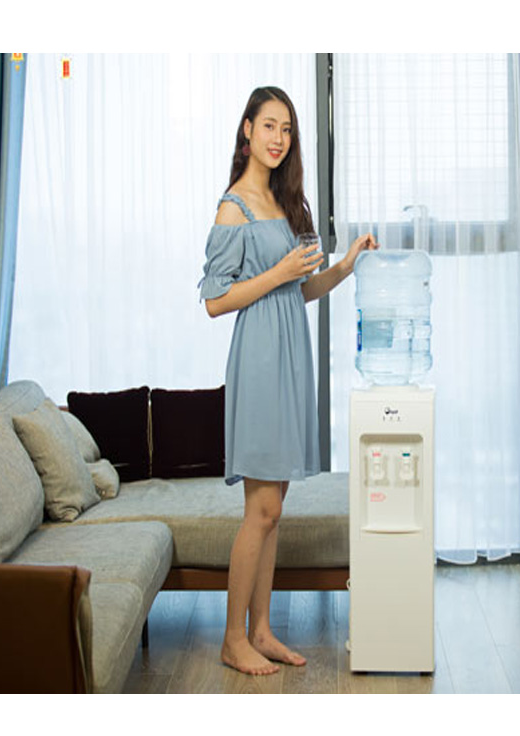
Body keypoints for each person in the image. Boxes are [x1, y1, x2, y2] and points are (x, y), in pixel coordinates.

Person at [199, 86, 377, 676]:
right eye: (269, 126)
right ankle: (233, 638)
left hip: (289, 355)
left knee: (274, 509)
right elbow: (216, 301)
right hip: (258, 361)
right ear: (247, 130)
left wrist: (344, 266)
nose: (278, 138)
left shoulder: (282, 202)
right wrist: (277, 271)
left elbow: (299, 290)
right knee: (262, 507)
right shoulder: (235, 207)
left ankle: (262, 630)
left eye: (287, 129)